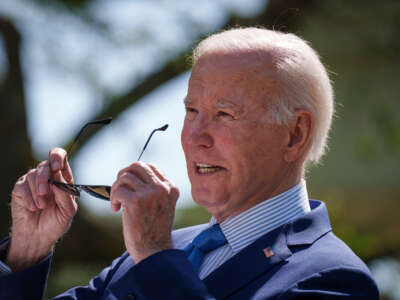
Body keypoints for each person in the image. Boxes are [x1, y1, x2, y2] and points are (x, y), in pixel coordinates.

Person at [0, 28, 379, 299]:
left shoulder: (332, 277)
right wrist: (26, 252)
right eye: (191, 110)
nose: (195, 135)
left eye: (224, 114)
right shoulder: (150, 251)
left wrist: (157, 259)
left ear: (295, 134)